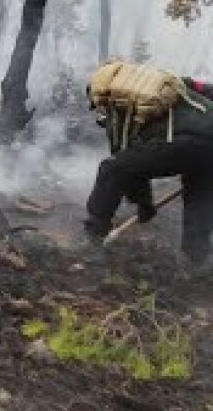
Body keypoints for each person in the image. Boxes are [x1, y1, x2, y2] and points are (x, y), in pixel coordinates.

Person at [84, 67, 213, 272]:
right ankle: (195, 260)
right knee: (200, 191)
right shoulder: (170, 86)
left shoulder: (119, 105)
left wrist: (144, 203)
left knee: (111, 168)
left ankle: (94, 235)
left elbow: (124, 164)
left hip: (187, 141)